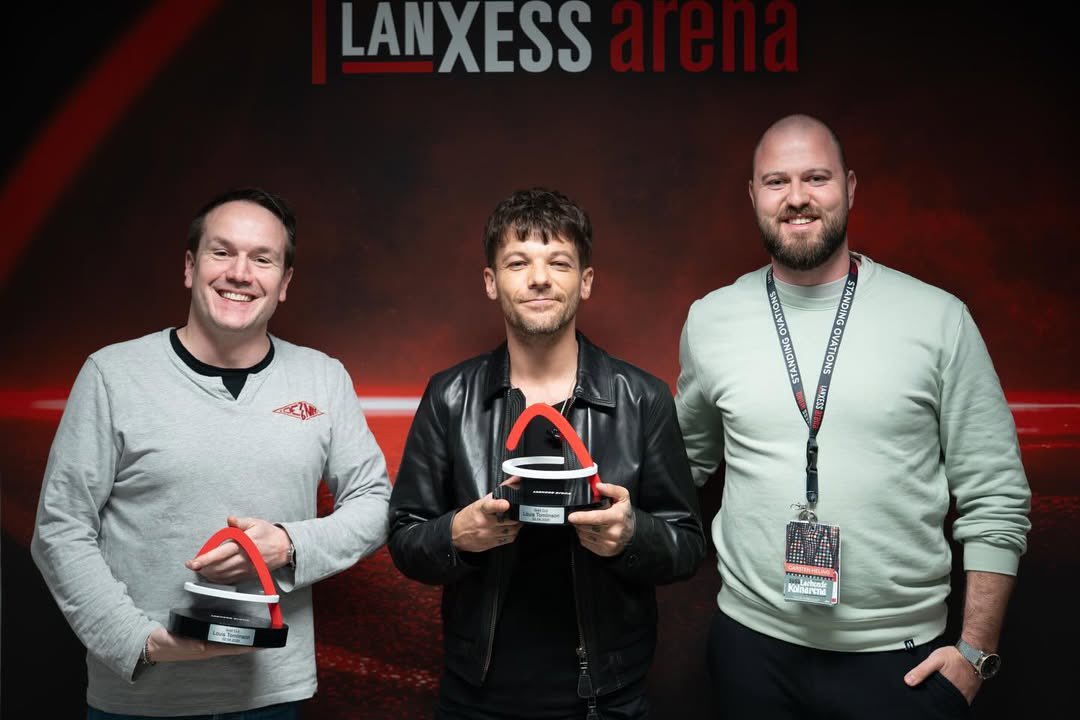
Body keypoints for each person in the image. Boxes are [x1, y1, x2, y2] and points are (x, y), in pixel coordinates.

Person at [675, 114, 1031, 719]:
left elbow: (995, 495)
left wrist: (975, 653)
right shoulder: (710, 320)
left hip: (903, 663)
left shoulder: (938, 319)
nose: (797, 198)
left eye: (816, 177)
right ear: (753, 196)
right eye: (776, 181)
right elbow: (684, 462)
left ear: (851, 188)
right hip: (750, 652)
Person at [31, 187, 391, 718]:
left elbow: (375, 502)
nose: (240, 273)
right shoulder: (112, 375)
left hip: (270, 697)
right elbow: (61, 528)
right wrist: (142, 643)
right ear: (189, 266)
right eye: (222, 252)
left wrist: (288, 544)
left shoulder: (323, 377)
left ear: (284, 282)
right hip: (139, 699)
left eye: (262, 259)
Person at [388, 187, 705, 719]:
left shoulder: (642, 397)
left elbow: (687, 544)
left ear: (585, 281)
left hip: (606, 699)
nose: (539, 278)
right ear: (491, 282)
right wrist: (457, 537)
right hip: (476, 698)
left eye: (558, 262)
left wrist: (632, 535)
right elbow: (405, 537)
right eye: (518, 262)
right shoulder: (449, 395)